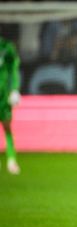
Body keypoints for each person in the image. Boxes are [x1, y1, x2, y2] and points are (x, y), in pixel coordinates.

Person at [0, 36, 21, 175]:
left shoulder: (6, 48)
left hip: (3, 95)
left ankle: (11, 160)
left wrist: (14, 89)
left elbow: (13, 69)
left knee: (7, 127)